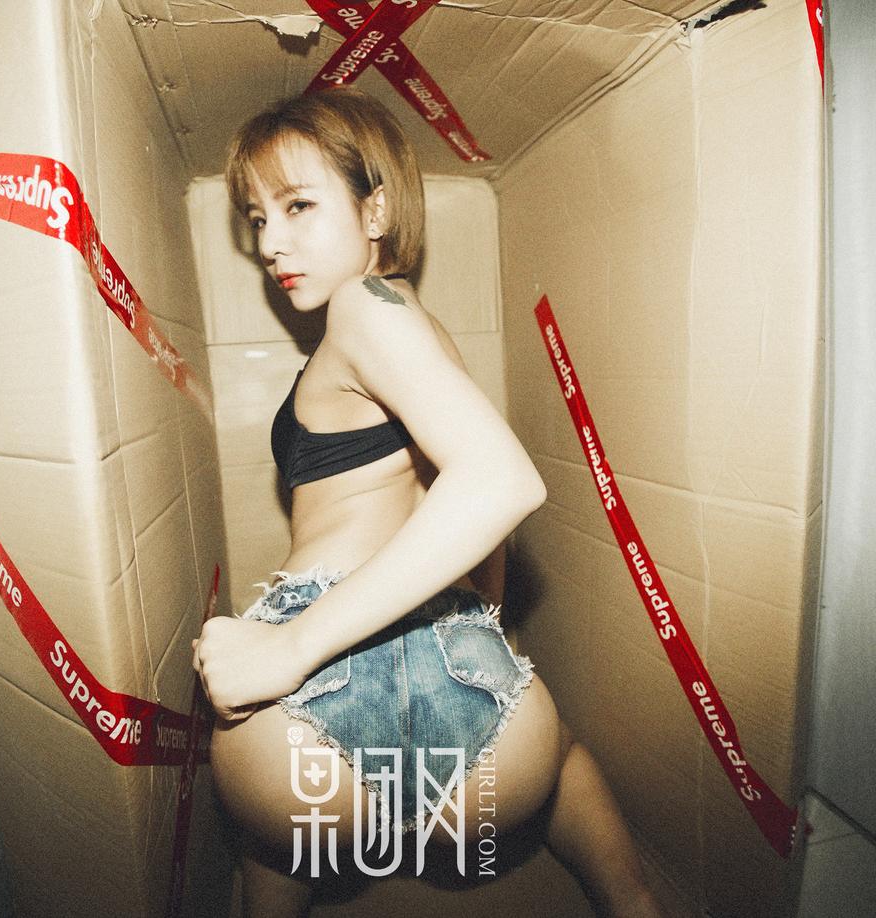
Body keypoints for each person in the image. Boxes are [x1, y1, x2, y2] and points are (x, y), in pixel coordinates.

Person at [192, 88, 663, 918]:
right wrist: (482, 627)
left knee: (272, 843)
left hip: (311, 717)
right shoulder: (419, 327)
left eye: (298, 205)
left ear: (375, 210)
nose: (270, 243)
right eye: (258, 218)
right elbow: (473, 518)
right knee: (561, 755)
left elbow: (499, 483)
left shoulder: (360, 307)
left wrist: (289, 647)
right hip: (484, 736)